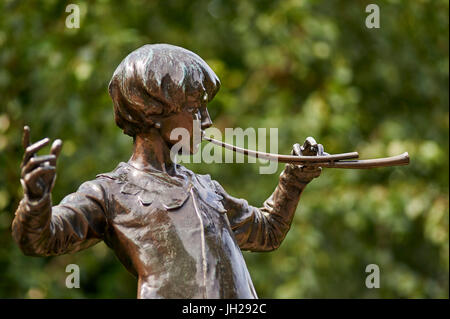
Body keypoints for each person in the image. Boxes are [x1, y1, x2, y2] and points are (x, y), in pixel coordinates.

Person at [12, 44, 326, 299]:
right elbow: (40, 240)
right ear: (153, 113)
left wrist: (295, 178)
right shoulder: (111, 193)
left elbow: (268, 231)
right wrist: (37, 200)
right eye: (195, 109)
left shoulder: (206, 189)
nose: (207, 121)